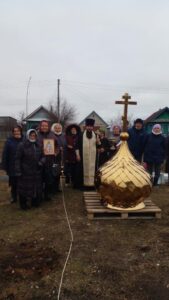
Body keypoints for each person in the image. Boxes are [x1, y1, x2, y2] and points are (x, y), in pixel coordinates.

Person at [15, 129, 44, 209]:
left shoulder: (39, 145)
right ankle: (23, 204)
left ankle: (34, 202)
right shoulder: (22, 145)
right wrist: (18, 171)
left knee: (35, 187)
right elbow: (17, 159)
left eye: (34, 135)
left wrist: (41, 162)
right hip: (25, 171)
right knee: (24, 188)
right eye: (31, 135)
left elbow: (43, 156)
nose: (33, 137)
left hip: (36, 171)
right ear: (28, 136)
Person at [37, 120, 60, 199]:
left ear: (48, 127)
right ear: (40, 126)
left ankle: (47, 195)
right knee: (39, 180)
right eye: (43, 126)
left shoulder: (52, 135)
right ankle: (39, 195)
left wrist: (56, 152)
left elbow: (57, 146)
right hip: (39, 161)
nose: (44, 127)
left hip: (49, 161)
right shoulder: (37, 135)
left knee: (48, 179)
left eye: (46, 126)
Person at [2, 125, 23, 203]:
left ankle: (22, 196)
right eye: (15, 131)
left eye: (18, 130)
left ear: (20, 131)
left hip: (22, 165)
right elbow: (5, 154)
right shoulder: (9, 141)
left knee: (22, 182)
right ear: (13, 132)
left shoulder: (24, 140)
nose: (16, 132)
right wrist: (4, 166)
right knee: (13, 182)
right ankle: (14, 197)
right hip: (12, 165)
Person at [82, 118, 99, 188]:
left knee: (93, 169)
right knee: (83, 169)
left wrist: (98, 142)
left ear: (92, 127)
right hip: (83, 156)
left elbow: (99, 145)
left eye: (91, 126)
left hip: (93, 156)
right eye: (88, 126)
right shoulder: (81, 134)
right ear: (86, 126)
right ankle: (84, 184)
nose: (89, 127)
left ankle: (92, 184)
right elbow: (77, 145)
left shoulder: (95, 134)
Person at [65, 124, 82, 188]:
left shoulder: (79, 137)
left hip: (77, 155)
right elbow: (65, 143)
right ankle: (67, 181)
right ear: (70, 130)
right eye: (72, 130)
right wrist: (67, 146)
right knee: (68, 169)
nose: (73, 130)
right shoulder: (67, 136)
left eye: (74, 130)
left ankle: (73, 181)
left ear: (76, 130)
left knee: (75, 170)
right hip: (69, 155)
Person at [51, 123, 67, 190]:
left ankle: (58, 186)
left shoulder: (63, 136)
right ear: (54, 128)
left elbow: (65, 144)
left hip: (62, 156)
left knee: (60, 171)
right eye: (56, 128)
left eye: (59, 128)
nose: (57, 129)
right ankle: (53, 186)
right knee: (53, 171)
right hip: (53, 156)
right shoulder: (51, 135)